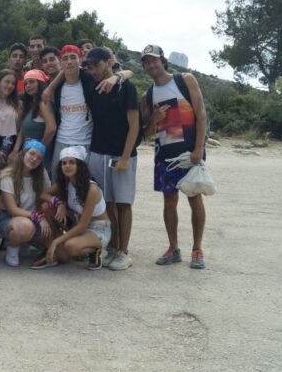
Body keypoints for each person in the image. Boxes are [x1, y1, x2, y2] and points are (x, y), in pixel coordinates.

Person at [140, 44, 208, 269]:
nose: (151, 64)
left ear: (162, 60)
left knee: (194, 197)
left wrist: (199, 149)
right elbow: (146, 133)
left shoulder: (185, 80)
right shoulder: (148, 95)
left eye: (154, 60)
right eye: (147, 61)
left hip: (189, 153)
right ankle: (173, 248)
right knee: (169, 202)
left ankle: (197, 249)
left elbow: (201, 115)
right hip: (164, 156)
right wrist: (154, 119)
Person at [83, 47, 140, 271]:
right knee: (108, 203)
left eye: (96, 65)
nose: (93, 70)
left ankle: (124, 251)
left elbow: (134, 125)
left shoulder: (127, 88)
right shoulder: (90, 83)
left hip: (121, 153)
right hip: (98, 152)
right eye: (89, 66)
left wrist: (125, 157)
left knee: (123, 203)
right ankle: (113, 247)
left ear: (109, 62)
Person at [42, 45, 130, 177]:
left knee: (84, 184)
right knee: (58, 181)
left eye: (73, 57)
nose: (69, 61)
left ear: (81, 60)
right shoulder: (57, 86)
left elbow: (129, 73)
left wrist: (116, 77)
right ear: (60, 62)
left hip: (85, 142)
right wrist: (50, 88)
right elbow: (64, 73)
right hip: (62, 140)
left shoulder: (90, 80)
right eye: (65, 59)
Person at [41, 146, 110, 268]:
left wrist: (56, 242)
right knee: (47, 207)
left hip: (98, 228)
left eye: (72, 162)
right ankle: (58, 243)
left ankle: (94, 250)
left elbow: (83, 226)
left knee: (70, 246)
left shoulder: (91, 189)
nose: (67, 166)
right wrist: (59, 203)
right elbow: (44, 195)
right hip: (78, 222)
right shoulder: (66, 182)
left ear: (80, 165)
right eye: (64, 163)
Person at [0, 139, 52, 267]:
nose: (34, 159)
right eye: (31, 154)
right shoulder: (7, 175)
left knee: (56, 246)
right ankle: (13, 246)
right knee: (25, 227)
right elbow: (12, 209)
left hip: (34, 218)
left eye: (39, 158)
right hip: (10, 218)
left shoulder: (41, 174)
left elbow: (48, 195)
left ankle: (26, 241)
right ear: (23, 153)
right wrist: (39, 217)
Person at [18, 69, 56, 161]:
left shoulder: (43, 103)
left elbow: (51, 128)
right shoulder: (30, 104)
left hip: (38, 156)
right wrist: (15, 150)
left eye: (32, 82)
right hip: (28, 153)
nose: (28, 86)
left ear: (40, 83)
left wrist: (39, 150)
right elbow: (23, 130)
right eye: (26, 83)